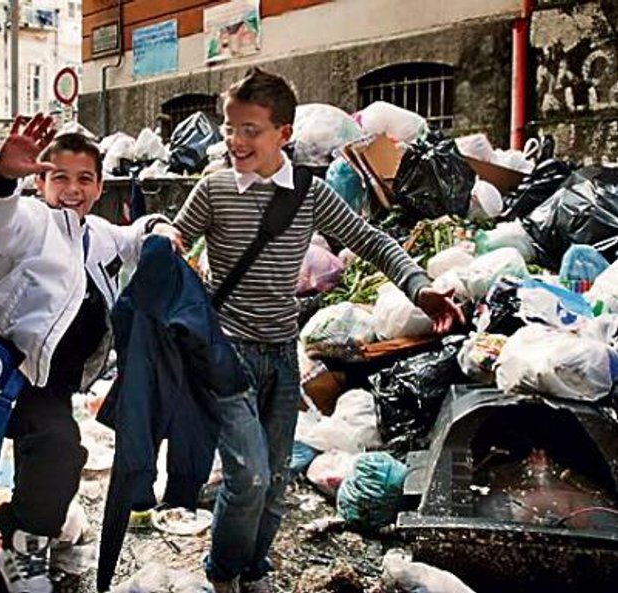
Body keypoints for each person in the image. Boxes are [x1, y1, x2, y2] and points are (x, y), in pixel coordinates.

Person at [151, 68, 464, 593]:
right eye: (230, 128)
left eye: (250, 129)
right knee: (248, 475)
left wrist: (419, 287)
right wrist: (163, 236)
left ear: (284, 134)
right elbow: (173, 231)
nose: (235, 140)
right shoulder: (215, 188)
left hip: (281, 356)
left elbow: (373, 242)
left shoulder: (308, 194)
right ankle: (223, 574)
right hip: (226, 357)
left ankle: (253, 569)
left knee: (274, 482)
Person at [0, 117, 167, 593]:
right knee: (60, 449)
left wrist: (159, 228)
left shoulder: (96, 232)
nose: (72, 189)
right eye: (59, 177)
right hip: (11, 373)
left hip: (55, 380)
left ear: (99, 186)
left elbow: (134, 237)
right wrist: (0, 179)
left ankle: (45, 521)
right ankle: (18, 554)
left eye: (84, 179)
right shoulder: (32, 224)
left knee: (53, 455)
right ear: (41, 182)